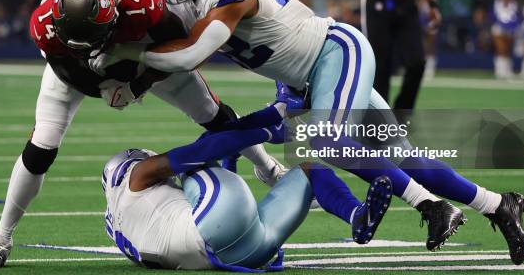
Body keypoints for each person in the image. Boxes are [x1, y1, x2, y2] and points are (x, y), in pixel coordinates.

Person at [92, 0, 524, 263]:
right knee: (397, 154)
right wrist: (134, 78)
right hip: (300, 83)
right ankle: (497, 205)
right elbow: (172, 49)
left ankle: (428, 205)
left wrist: (130, 59)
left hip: (336, 55)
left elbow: (190, 55)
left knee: (323, 140)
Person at [0, 0, 284, 268]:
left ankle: (268, 168)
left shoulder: (140, 0)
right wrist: (105, 87)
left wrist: (137, 83)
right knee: (41, 146)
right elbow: (66, 71)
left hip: (143, 52)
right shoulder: (45, 21)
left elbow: (181, 52)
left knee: (213, 115)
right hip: (80, 70)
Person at [103, 90, 393, 270]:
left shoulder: (121, 227)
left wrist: (234, 154)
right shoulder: (136, 176)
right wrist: (266, 128)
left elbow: (223, 195)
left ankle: (358, 216)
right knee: (196, 157)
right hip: (215, 226)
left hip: (241, 253)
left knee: (308, 171)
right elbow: (202, 150)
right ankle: (275, 119)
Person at [491, 0, 519, 79]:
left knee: (507, 50)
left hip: (509, 29)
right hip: (498, 29)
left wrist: (510, 26)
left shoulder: (513, 4)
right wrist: (502, 23)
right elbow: (494, 16)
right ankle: (499, 70)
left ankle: (508, 70)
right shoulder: (497, 2)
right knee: (500, 49)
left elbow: (514, 17)